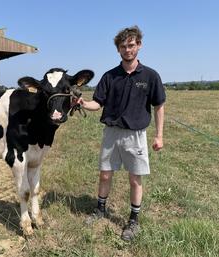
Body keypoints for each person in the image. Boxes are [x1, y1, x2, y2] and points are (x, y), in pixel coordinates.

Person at [78, 25, 165, 241]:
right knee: (105, 174)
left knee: (135, 179)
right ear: (118, 49)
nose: (128, 49)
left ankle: (133, 220)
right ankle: (100, 209)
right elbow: (97, 104)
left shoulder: (151, 76)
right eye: (123, 46)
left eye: (131, 45)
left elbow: (159, 105)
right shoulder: (110, 76)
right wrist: (81, 103)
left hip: (136, 135)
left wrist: (159, 135)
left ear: (139, 46)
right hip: (111, 133)